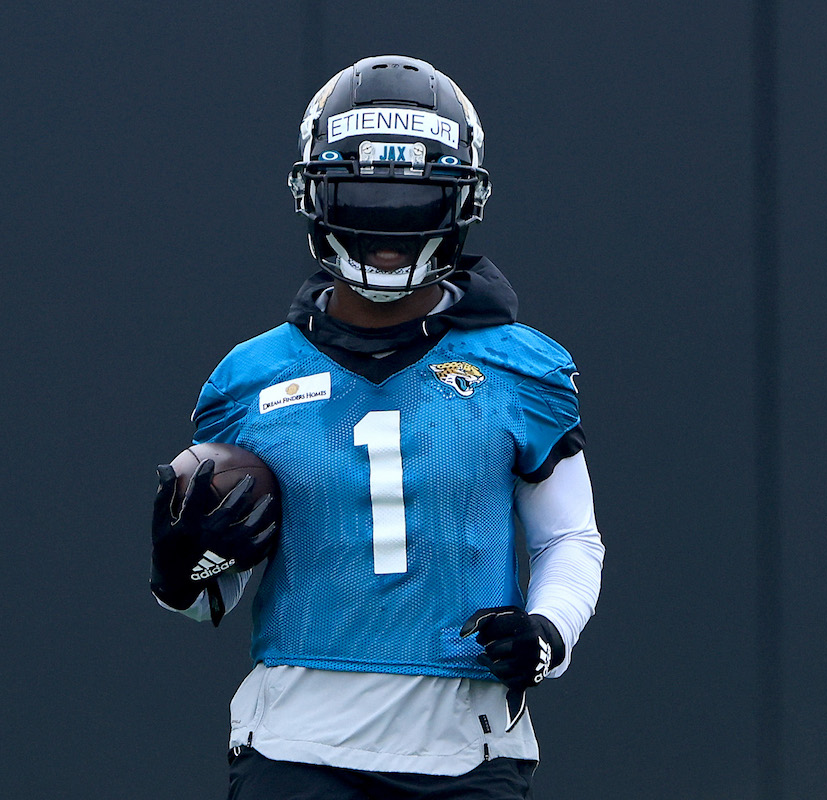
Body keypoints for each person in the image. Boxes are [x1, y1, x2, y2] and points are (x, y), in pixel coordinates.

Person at [151, 54, 604, 800]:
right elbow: (208, 596)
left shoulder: (523, 367)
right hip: (295, 743)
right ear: (316, 194)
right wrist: (177, 571)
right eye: (364, 193)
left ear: (460, 202)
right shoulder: (248, 378)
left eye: (414, 198)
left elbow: (570, 538)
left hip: (467, 746)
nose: (388, 224)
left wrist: (547, 633)